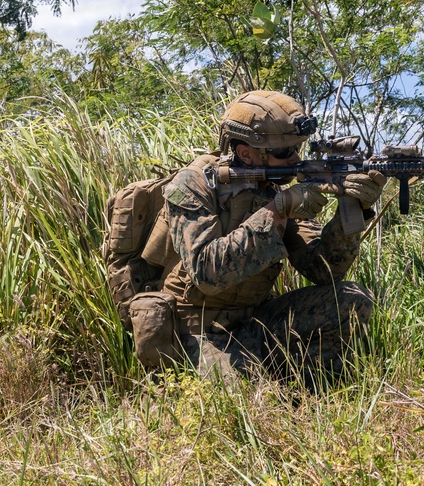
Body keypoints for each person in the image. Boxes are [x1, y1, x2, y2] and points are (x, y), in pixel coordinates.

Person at [159, 90, 386, 384]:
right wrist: (277, 211)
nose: (295, 159)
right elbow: (206, 272)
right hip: (198, 329)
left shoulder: (276, 187)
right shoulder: (194, 184)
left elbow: (323, 269)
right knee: (246, 402)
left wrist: (353, 209)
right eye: (283, 153)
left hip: (256, 320)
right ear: (246, 153)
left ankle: (317, 393)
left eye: (297, 149)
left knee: (354, 300)